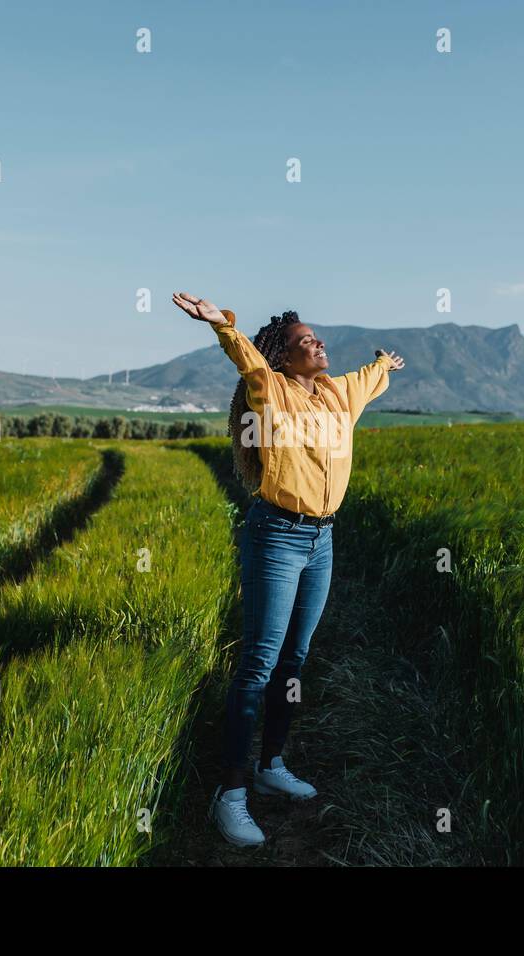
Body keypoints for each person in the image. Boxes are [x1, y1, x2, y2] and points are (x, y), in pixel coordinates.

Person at [171, 291, 405, 847]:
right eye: (305, 341)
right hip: (276, 536)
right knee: (259, 662)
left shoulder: (335, 394)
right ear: (284, 357)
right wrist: (221, 324)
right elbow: (249, 358)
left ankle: (270, 765)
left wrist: (383, 363)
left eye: (316, 338)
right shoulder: (270, 391)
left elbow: (367, 379)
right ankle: (230, 795)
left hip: (322, 540)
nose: (317, 344)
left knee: (294, 660)